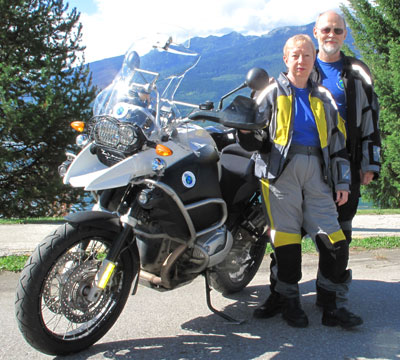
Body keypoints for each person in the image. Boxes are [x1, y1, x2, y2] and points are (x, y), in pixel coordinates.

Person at [252, 10, 381, 324]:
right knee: (286, 237)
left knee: (337, 237)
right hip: (284, 171)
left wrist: (364, 166)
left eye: (338, 30)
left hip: (333, 167)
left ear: (343, 34)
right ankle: (284, 298)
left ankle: (331, 301)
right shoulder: (277, 89)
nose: (332, 34)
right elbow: (255, 131)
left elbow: (364, 125)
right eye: (326, 29)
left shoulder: (345, 80)